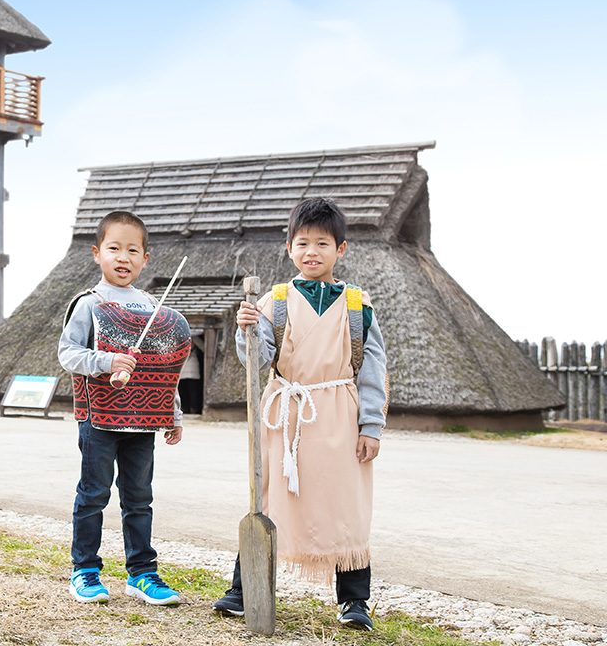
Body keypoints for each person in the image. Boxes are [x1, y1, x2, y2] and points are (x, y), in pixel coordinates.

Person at [213, 197, 388, 631]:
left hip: (339, 412)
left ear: (340, 249)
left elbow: (372, 369)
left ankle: (354, 601)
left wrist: (371, 426)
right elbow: (257, 361)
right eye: (303, 243)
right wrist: (247, 331)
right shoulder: (274, 301)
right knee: (269, 498)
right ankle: (244, 589)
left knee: (346, 503)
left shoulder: (357, 306)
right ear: (289, 247)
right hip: (286, 412)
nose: (312, 252)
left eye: (323, 243)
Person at [59, 210, 189, 606]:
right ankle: (84, 570)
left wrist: (172, 412)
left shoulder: (155, 307)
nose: (123, 257)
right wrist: (106, 361)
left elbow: (163, 368)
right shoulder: (89, 304)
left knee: (139, 498)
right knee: (94, 494)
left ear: (145, 259)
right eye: (114, 248)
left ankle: (142, 574)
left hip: (143, 421)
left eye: (133, 250)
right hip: (98, 418)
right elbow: (68, 353)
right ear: (97, 253)